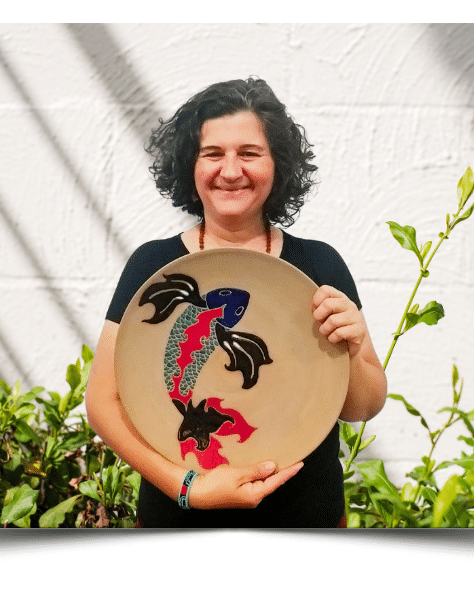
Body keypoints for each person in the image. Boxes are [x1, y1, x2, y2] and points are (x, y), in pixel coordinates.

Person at [84, 77, 387, 527]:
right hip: (179, 522)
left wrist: (354, 347)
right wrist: (189, 488)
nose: (230, 171)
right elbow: (102, 401)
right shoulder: (153, 265)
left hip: (306, 519)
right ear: (190, 165)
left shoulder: (319, 264)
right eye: (212, 154)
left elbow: (361, 406)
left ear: (278, 165)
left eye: (249, 153)